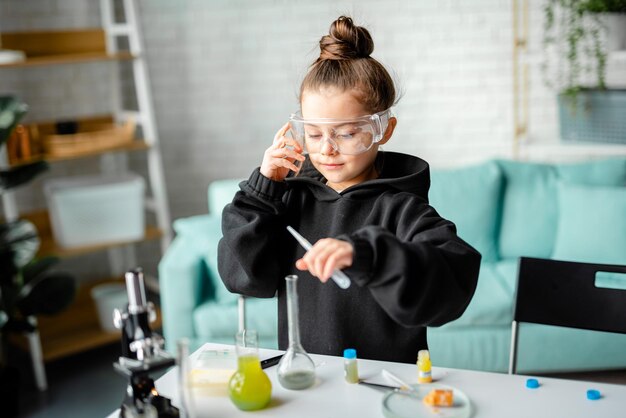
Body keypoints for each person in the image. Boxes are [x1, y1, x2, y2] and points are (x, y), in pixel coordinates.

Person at [218, 16, 481, 363]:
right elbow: (245, 278)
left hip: (386, 386)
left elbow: (451, 286)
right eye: (313, 133)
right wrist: (263, 191)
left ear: (382, 130)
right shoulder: (290, 200)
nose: (326, 148)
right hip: (307, 379)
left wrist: (370, 256)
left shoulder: (400, 207)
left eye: (345, 133)